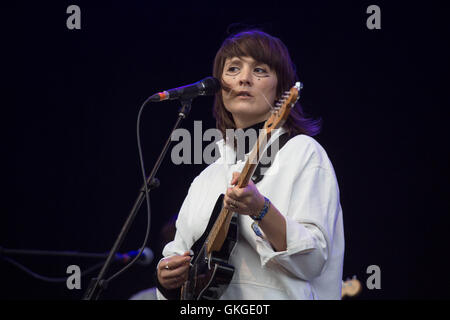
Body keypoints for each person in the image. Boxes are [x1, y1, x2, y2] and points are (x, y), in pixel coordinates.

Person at [156, 29, 345, 300]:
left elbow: (314, 259)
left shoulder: (304, 153)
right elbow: (178, 253)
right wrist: (167, 278)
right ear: (220, 87)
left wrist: (261, 209)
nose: (244, 78)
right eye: (233, 69)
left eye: (259, 70)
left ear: (281, 91)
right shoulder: (206, 178)